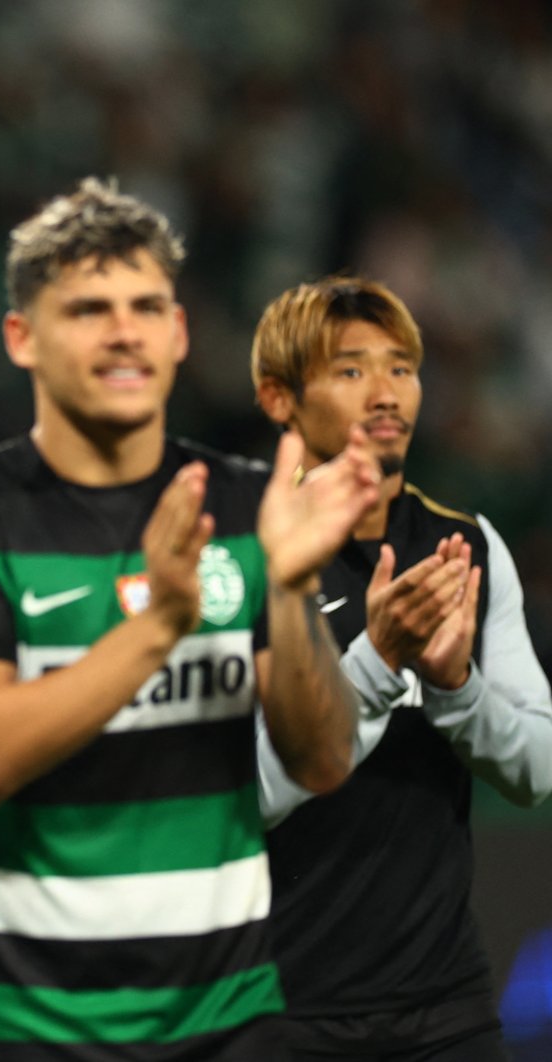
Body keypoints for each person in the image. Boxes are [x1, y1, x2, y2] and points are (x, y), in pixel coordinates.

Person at [0, 178, 380, 1061]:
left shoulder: (247, 508)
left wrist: (294, 589)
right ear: (21, 339)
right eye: (88, 310)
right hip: (33, 1033)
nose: (124, 331)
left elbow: (323, 756)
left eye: (147, 306)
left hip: (231, 1027)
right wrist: (159, 628)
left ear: (180, 333)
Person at [250, 275, 552, 1061]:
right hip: (270, 1010)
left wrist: (458, 689)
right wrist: (378, 662)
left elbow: (539, 771)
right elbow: (234, 797)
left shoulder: (470, 548)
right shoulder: (238, 559)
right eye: (350, 370)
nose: (385, 394)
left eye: (402, 368)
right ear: (280, 397)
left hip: (443, 1011)